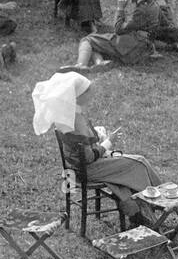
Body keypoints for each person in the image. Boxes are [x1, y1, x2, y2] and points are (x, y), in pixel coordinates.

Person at [33, 72, 160, 219]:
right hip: (87, 170)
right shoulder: (77, 121)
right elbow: (88, 157)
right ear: (79, 96)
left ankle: (138, 212)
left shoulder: (66, 116)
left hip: (74, 168)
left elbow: (79, 144)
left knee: (127, 172)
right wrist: (108, 142)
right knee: (139, 162)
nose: (92, 95)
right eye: (88, 92)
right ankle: (160, 199)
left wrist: (96, 135)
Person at [62, 0, 178, 71]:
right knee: (99, 40)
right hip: (146, 47)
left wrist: (120, 8)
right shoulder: (154, 5)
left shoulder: (142, 10)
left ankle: (80, 66)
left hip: (133, 49)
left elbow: (118, 29)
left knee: (88, 40)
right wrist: (177, 40)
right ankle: (100, 63)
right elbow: (167, 26)